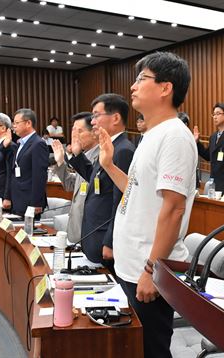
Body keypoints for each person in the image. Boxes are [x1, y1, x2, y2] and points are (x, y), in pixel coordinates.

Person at [98, 51, 196, 358]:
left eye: (142, 79)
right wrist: (110, 166)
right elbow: (137, 192)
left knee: (151, 351)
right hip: (131, 265)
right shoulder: (152, 134)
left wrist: (151, 270)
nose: (133, 86)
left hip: (148, 269)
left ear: (166, 88)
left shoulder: (175, 136)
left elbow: (173, 209)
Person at [67, 94, 134, 267]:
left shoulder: (123, 150)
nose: (93, 121)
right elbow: (95, 179)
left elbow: (121, 201)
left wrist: (110, 242)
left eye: (96, 115)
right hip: (93, 235)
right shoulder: (109, 145)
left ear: (116, 118)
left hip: (104, 240)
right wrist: (77, 155)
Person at [52, 112, 99, 243]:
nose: (75, 137)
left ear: (94, 132)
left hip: (90, 230)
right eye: (73, 131)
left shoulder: (101, 157)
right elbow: (70, 185)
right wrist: (61, 162)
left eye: (79, 131)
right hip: (75, 229)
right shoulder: (84, 156)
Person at [193, 102, 224, 195]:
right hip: (214, 183)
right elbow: (208, 156)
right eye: (214, 114)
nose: (215, 117)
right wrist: (197, 142)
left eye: (218, 114)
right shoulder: (213, 136)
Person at [7, 108, 49, 216]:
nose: (13, 126)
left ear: (28, 123)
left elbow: (39, 176)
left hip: (29, 201)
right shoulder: (20, 143)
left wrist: (36, 203)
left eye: (16, 123)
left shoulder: (38, 144)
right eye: (13, 123)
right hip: (18, 198)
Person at [178, 111, 200, 190]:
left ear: (186, 124)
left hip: (189, 176)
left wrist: (194, 142)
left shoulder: (190, 138)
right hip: (176, 177)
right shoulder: (171, 137)